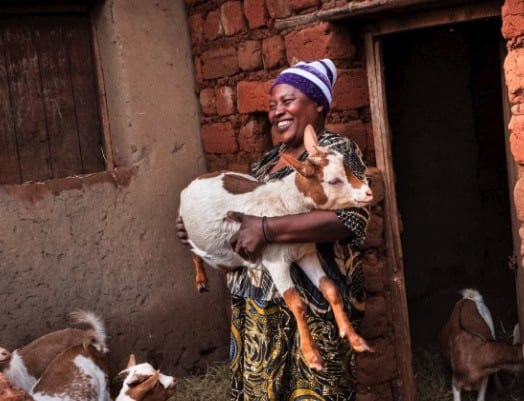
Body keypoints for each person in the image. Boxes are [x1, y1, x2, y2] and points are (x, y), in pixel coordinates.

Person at [176, 58, 370, 401]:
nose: (277, 110)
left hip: (315, 311)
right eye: (272, 104)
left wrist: (266, 228)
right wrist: (197, 229)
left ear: (318, 104)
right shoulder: (265, 165)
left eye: (288, 101)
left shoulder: (336, 152)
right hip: (257, 313)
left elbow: (351, 219)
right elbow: (240, 228)